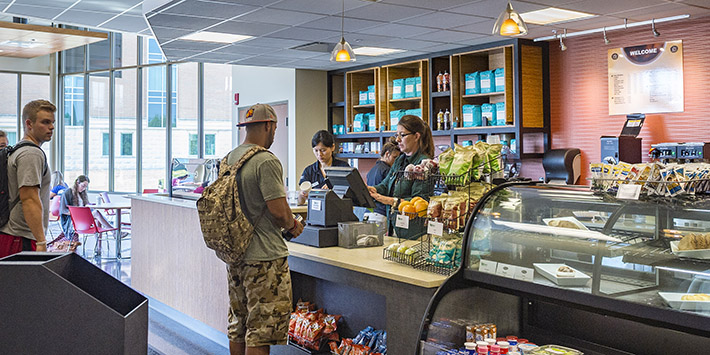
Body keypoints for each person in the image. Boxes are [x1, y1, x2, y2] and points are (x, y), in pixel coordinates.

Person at [225, 103, 303, 355]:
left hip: (236, 254)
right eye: (275, 128)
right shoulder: (265, 161)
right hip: (265, 257)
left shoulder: (229, 159)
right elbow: (279, 212)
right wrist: (294, 225)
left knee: (239, 321)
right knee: (261, 330)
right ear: (269, 125)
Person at [0, 99, 55, 257]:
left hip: (13, 236)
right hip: (20, 238)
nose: (51, 127)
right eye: (45, 122)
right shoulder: (31, 154)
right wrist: (41, 242)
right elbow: (29, 199)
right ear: (29, 124)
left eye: (52, 122)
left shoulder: (18, 150)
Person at [367, 115, 435, 239]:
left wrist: (388, 200)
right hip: (395, 228)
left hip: (414, 234)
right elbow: (385, 184)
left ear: (416, 136)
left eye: (402, 135)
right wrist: (372, 189)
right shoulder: (400, 160)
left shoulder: (424, 165)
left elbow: (419, 202)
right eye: (396, 134)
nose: (397, 139)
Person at [297, 130, 350, 205]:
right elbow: (300, 202)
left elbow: (351, 194)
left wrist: (334, 188)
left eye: (323, 150)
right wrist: (302, 195)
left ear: (332, 147)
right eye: (316, 150)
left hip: (338, 211)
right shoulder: (309, 171)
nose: (319, 154)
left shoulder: (343, 168)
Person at [366, 141, 401, 217]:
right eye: (394, 157)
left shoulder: (372, 170)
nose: (396, 162)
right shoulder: (388, 171)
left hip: (369, 211)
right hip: (381, 212)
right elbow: (390, 192)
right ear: (387, 154)